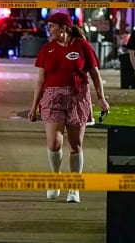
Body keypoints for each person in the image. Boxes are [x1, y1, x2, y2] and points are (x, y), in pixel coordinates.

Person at [28, 12, 109, 204]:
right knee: (54, 143)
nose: (49, 30)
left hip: (77, 96)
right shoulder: (47, 49)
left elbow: (95, 74)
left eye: (52, 26)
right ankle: (55, 178)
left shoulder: (82, 47)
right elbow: (41, 79)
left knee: (75, 145)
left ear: (64, 28)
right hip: (52, 97)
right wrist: (34, 106)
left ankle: (74, 186)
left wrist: (101, 99)